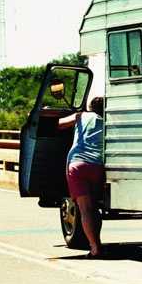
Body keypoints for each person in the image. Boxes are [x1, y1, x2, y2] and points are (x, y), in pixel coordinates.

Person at [59, 96, 105, 258]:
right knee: (93, 208)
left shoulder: (82, 116)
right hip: (97, 165)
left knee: (84, 209)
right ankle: (97, 243)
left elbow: (60, 124)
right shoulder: (107, 120)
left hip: (77, 163)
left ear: (90, 107)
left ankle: (95, 248)